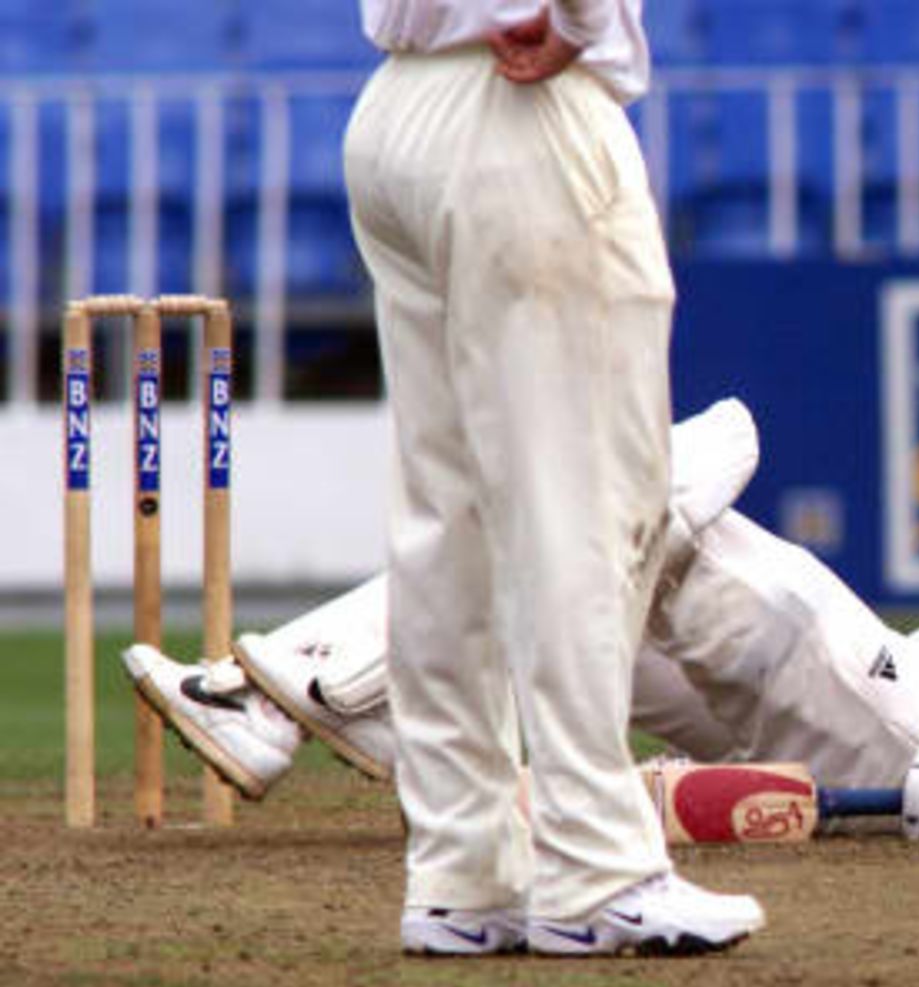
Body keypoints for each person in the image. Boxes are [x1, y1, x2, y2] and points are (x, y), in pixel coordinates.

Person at [127, 388, 919, 842]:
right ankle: (280, 701)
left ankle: (293, 693)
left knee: (709, 447)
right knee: (578, 598)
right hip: (894, 729)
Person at [336, 0, 762, 958]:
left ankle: (462, 870)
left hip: (395, 110)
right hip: (521, 106)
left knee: (448, 519)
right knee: (586, 501)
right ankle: (595, 868)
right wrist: (573, 16)